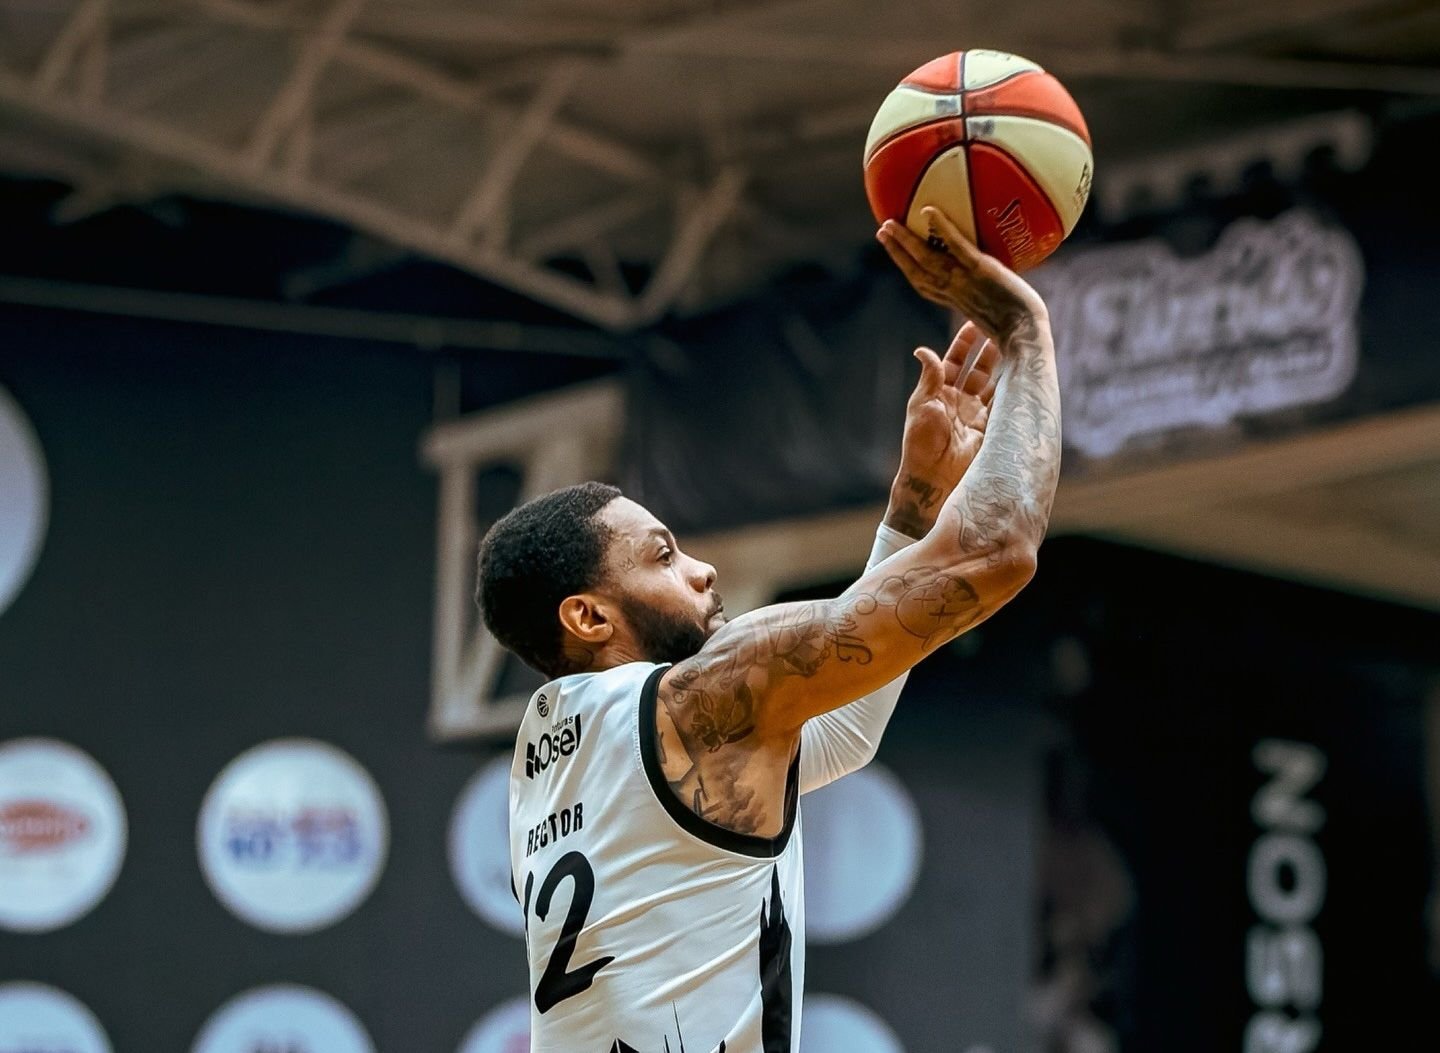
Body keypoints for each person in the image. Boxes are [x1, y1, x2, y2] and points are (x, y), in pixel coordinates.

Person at [476, 206, 1063, 1052]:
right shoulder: (698, 702)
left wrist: (914, 506)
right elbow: (997, 550)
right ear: (589, 614)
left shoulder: (549, 754)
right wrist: (1027, 333)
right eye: (664, 555)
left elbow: (841, 733)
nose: (702, 569)